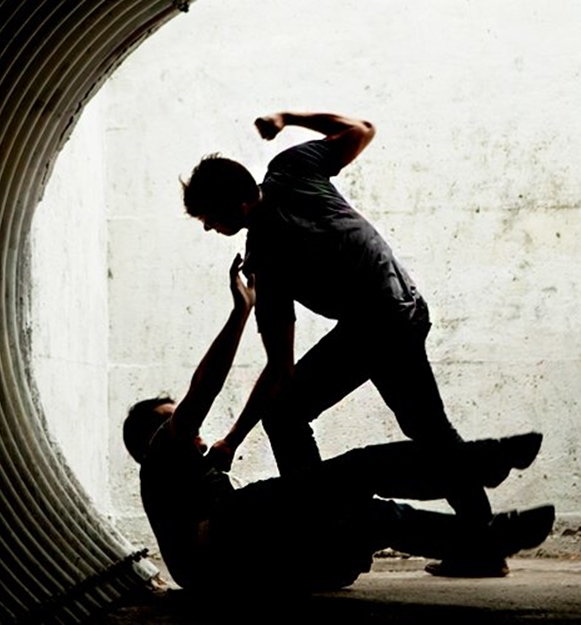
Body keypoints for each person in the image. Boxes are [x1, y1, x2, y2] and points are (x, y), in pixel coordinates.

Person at [181, 111, 505, 577]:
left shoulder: (271, 242)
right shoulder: (290, 173)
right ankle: (339, 530)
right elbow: (362, 130)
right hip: (386, 316)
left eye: (209, 217)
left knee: (294, 414)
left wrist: (232, 440)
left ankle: (324, 534)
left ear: (238, 203)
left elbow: (280, 370)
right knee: (423, 429)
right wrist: (287, 119)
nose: (208, 227)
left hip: (386, 321)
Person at [124, 254, 556, 593]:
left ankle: (487, 539)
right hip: (231, 552)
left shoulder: (191, 480)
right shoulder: (160, 462)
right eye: (172, 422)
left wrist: (229, 447)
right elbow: (205, 387)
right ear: (151, 442)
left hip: (289, 567)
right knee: (357, 469)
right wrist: (241, 312)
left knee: (371, 515)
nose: (189, 428)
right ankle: (479, 462)